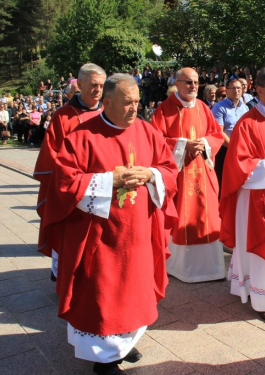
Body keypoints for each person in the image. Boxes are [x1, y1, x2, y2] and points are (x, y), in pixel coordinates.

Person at [41, 73, 178, 375]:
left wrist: (150, 175)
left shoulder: (147, 131)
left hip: (139, 230)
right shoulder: (82, 136)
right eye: (127, 103)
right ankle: (103, 360)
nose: (134, 109)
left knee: (135, 290)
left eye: (137, 102)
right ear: (107, 103)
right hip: (100, 236)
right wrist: (108, 180)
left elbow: (169, 169)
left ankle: (124, 343)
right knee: (104, 293)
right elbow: (65, 183)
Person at [219, 66, 265, 324]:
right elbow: (240, 166)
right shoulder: (247, 123)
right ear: (258, 90)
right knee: (262, 245)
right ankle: (264, 299)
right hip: (258, 197)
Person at [151, 67, 225, 283]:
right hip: (180, 174)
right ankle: (180, 269)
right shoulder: (164, 110)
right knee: (182, 213)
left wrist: (203, 143)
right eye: (188, 82)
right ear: (177, 83)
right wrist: (182, 145)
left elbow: (216, 135)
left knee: (208, 215)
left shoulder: (203, 107)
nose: (193, 86)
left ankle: (212, 269)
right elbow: (155, 141)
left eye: (195, 82)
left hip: (203, 171)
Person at [34, 63, 106, 280]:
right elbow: (51, 154)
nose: (98, 90)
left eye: (102, 86)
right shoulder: (63, 116)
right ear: (80, 84)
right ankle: (64, 275)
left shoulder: (107, 113)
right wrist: (74, 178)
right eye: (93, 85)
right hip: (70, 188)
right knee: (67, 234)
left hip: (101, 186)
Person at [212, 78, 249, 194]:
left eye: (239, 88)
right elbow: (218, 132)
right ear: (227, 91)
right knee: (223, 182)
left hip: (242, 150)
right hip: (224, 149)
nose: (236, 91)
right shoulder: (219, 108)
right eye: (233, 88)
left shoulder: (245, 108)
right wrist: (233, 146)